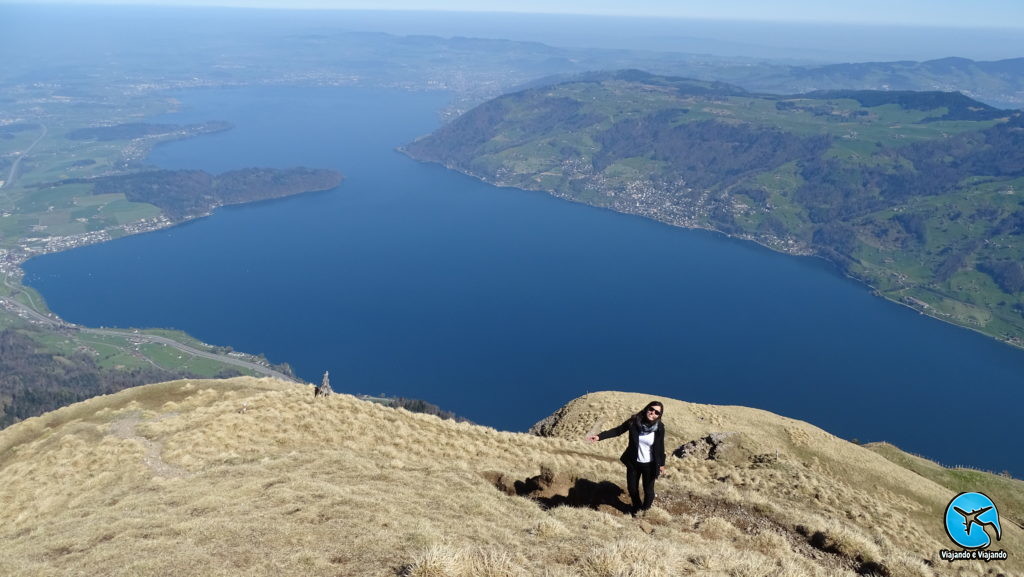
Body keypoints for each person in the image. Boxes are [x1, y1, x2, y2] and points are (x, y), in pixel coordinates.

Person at [587, 401, 666, 515]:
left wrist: (662, 464)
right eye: (651, 409)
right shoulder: (634, 422)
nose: (652, 413)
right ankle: (637, 507)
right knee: (632, 489)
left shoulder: (659, 427)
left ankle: (645, 511)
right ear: (646, 408)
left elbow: (660, 446)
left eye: (656, 412)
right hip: (633, 462)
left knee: (648, 490)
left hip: (650, 464)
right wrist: (599, 437)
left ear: (659, 415)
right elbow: (618, 430)